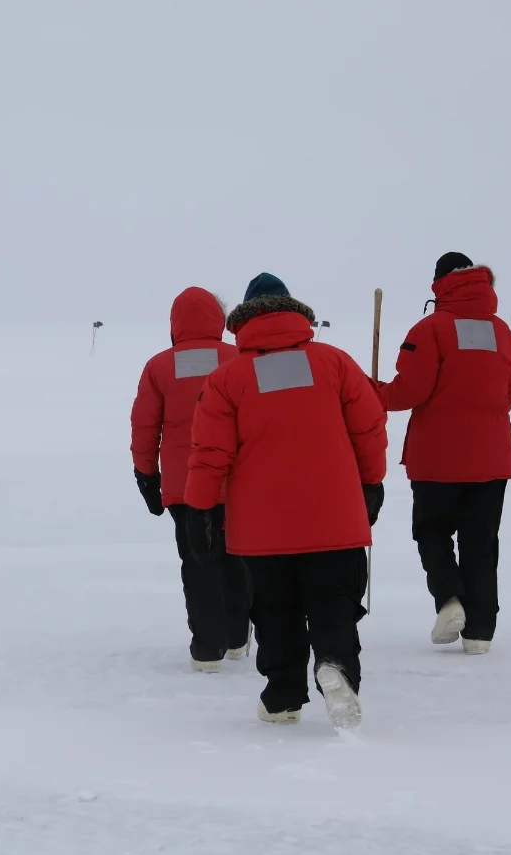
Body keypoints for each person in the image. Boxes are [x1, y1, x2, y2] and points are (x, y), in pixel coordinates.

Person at [184, 273, 387, 731]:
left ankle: (282, 697)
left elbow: (210, 453)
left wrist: (200, 510)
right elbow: (370, 428)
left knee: (275, 610)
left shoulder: (226, 379)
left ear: (243, 321)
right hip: (334, 517)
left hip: (262, 528)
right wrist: (371, 482)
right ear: (295, 313)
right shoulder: (335, 362)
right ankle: (335, 665)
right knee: (335, 602)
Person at [373, 253, 511, 654]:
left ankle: (449, 600)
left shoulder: (431, 328)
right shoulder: (502, 332)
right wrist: (484, 418)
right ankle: (480, 632)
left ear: (440, 284)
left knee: (432, 531)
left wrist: (375, 394)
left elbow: (410, 390)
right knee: (481, 542)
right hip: (491, 456)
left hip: (436, 456)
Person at [130, 287, 250, 672]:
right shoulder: (239, 358)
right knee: (236, 557)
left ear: (174, 323)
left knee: (197, 561)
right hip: (236, 481)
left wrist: (146, 474)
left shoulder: (159, 366)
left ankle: (207, 648)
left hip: (184, 486)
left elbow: (145, 427)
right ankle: (237, 637)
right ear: (219, 319)